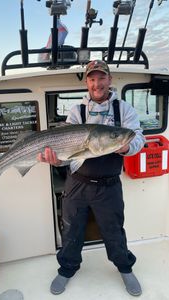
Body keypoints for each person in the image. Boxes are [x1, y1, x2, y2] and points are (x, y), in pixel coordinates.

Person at [37, 60, 145, 296]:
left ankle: (125, 268)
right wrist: (56, 160)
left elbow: (137, 139)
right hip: (78, 184)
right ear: (87, 82)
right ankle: (67, 269)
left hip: (109, 185)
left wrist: (124, 147)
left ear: (109, 80)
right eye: (92, 79)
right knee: (71, 229)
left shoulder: (124, 109)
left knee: (114, 229)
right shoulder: (77, 111)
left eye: (102, 78)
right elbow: (69, 155)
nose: (97, 84)